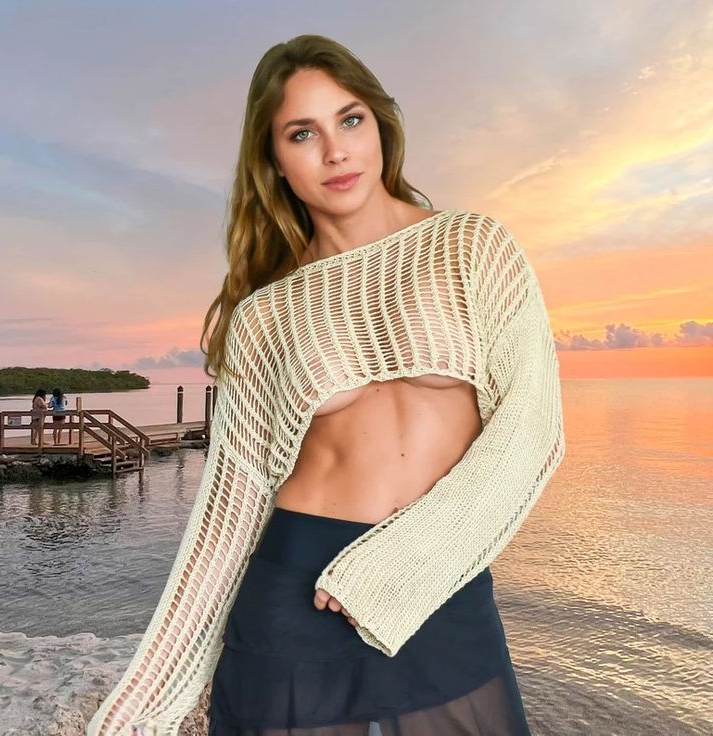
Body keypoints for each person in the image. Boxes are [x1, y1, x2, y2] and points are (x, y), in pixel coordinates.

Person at [87, 34, 566, 736]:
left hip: (438, 583)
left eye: (350, 119)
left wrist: (399, 568)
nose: (335, 151)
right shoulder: (265, 316)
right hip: (294, 601)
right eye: (302, 133)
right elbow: (230, 514)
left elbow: (531, 430)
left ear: (380, 125)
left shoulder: (472, 248)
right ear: (274, 161)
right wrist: (141, 703)